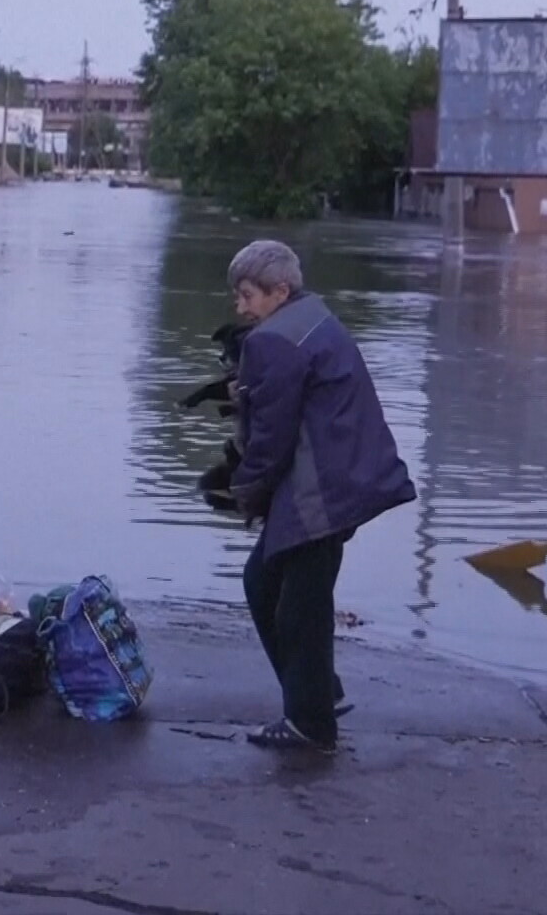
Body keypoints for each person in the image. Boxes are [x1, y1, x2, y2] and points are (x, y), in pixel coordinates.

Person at [225, 239, 417, 753]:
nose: (240, 307)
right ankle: (318, 692)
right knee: (265, 583)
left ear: (279, 290)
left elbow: (271, 436)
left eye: (247, 296)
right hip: (346, 476)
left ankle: (309, 725)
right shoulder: (316, 318)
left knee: (298, 607)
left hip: (318, 492)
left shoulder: (273, 342)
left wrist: (244, 489)